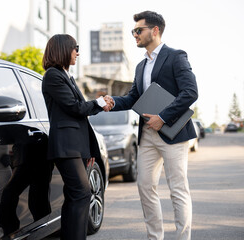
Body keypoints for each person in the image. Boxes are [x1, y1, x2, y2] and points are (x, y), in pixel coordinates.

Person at [104, 11, 198, 240]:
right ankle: (155, 237)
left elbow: (190, 92)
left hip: (172, 133)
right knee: (145, 187)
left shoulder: (176, 56)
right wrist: (112, 102)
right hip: (147, 136)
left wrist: (163, 117)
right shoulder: (140, 66)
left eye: (138, 30)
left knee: (178, 189)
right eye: (133, 31)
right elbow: (133, 98)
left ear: (155, 31)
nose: (134, 34)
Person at [41, 34, 107, 240]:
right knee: (81, 193)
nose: (77, 52)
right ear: (62, 49)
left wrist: (87, 151)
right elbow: (75, 108)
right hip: (65, 146)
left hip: (74, 147)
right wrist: (99, 103)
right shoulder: (53, 75)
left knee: (74, 195)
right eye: (74, 48)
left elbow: (79, 116)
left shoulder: (65, 75)